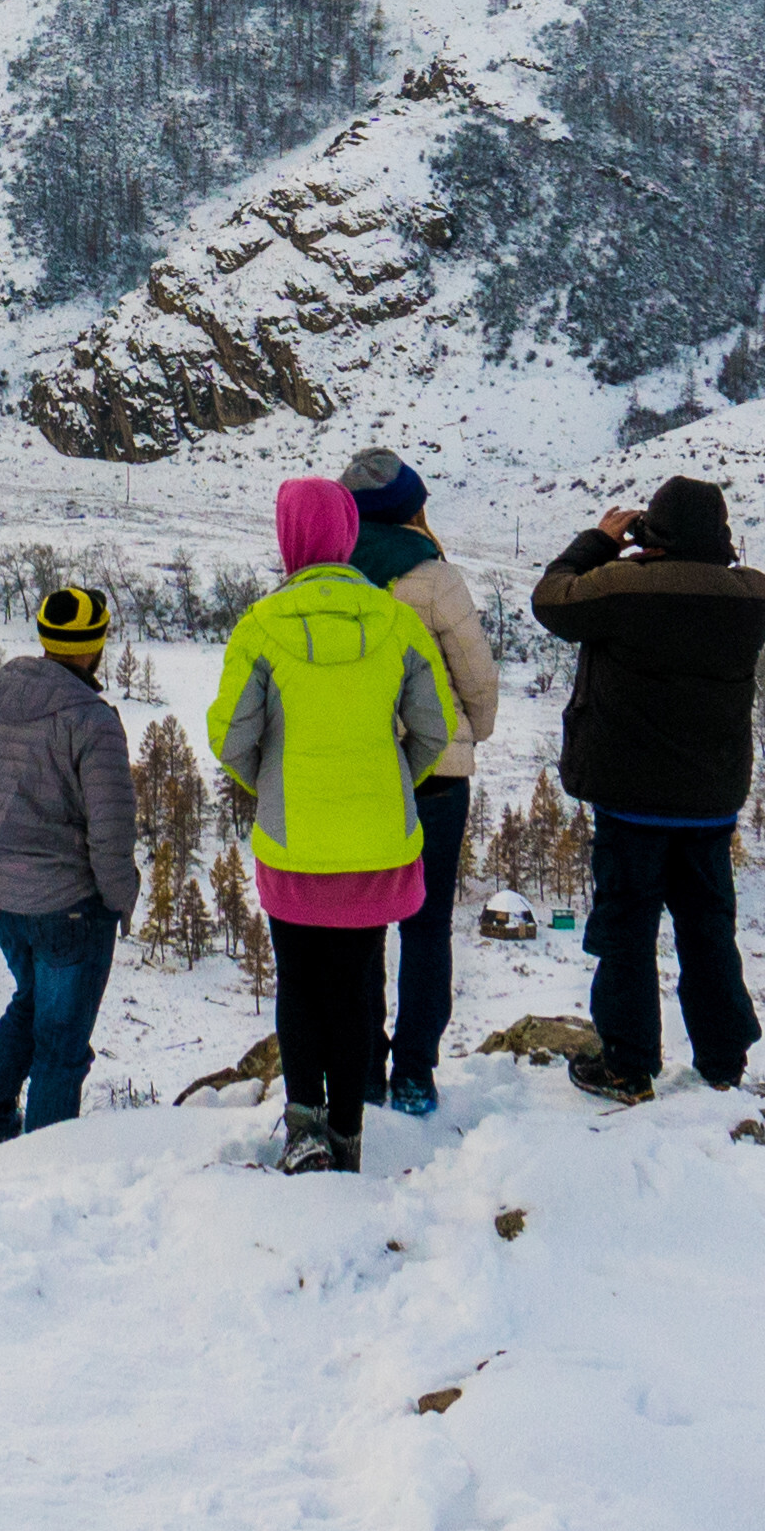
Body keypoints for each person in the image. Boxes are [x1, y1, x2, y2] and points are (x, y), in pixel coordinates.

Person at [207, 477, 456, 1175]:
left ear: (290, 537)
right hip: (377, 845)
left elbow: (230, 739)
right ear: (346, 534)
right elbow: (435, 728)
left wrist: (278, 790)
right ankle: (349, 1128)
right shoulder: (395, 621)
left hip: (295, 849)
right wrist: (388, 786)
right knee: (359, 986)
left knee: (300, 984)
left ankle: (305, 1126)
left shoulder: (261, 626)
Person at [532, 475, 765, 1103]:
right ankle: (724, 1061)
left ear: (654, 534)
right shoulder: (753, 600)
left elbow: (552, 599)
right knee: (708, 930)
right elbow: (719, 578)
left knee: (626, 930)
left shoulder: (623, 588)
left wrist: (599, 541)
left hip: (630, 797)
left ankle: (628, 1064)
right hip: (708, 803)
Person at [0, 581, 139, 1152]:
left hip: (6, 906)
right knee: (61, 1048)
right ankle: (38, 1170)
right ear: (94, 645)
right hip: (71, 912)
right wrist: (119, 899)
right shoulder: (91, 721)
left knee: (29, 1005)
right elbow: (111, 833)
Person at [334, 445, 498, 1119]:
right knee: (426, 929)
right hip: (435, 777)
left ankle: (365, 1069)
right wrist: (470, 733)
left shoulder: (328, 578)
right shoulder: (434, 578)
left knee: (364, 926)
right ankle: (415, 1074)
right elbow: (477, 681)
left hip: (361, 773)